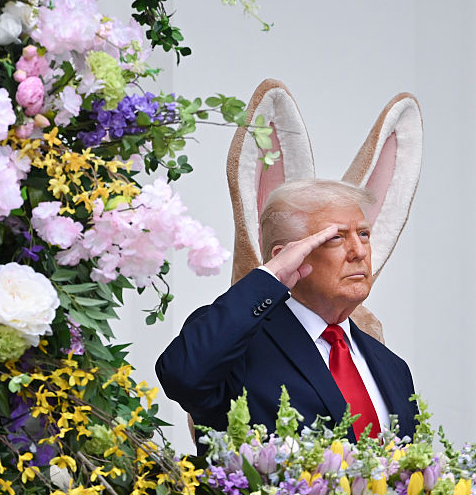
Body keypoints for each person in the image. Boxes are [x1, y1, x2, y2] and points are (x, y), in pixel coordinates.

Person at [156, 179, 417, 443]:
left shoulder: (393, 368)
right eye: (336, 237)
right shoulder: (240, 346)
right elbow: (183, 376)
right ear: (288, 256)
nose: (359, 252)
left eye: (363, 234)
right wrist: (270, 278)